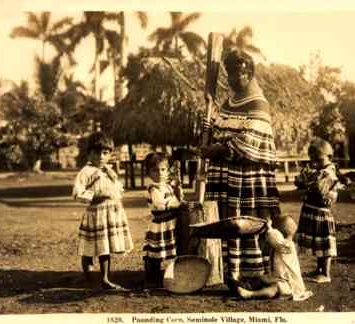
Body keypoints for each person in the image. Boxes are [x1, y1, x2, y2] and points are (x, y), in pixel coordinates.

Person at [200, 49, 281, 293]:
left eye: (236, 75)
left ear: (248, 73)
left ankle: (252, 273)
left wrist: (214, 150)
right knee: (226, 221)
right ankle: (229, 272)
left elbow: (248, 142)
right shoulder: (229, 102)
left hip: (247, 179)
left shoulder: (258, 104)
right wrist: (209, 125)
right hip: (225, 176)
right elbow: (221, 130)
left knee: (245, 221)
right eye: (229, 75)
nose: (232, 80)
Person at [73, 132, 133, 290]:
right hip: (95, 214)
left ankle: (105, 278)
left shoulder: (109, 170)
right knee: (89, 247)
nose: (101, 156)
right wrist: (94, 196)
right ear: (89, 153)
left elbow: (118, 189)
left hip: (109, 214)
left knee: (105, 247)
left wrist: (114, 195)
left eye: (105, 153)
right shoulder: (86, 172)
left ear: (109, 154)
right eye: (96, 152)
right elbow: (77, 193)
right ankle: (87, 276)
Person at [295, 138, 340, 284]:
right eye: (313, 160)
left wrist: (307, 182)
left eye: (318, 160)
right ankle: (319, 269)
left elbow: (320, 191)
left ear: (329, 157)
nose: (314, 163)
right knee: (317, 242)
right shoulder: (318, 171)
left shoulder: (328, 173)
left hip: (321, 211)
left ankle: (326, 273)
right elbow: (304, 184)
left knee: (323, 241)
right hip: (313, 209)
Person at [236, 216, 313, 301]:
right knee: (261, 279)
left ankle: (250, 294)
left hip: (290, 284)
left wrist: (269, 228)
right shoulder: (282, 245)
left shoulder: (287, 246)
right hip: (276, 277)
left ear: (280, 234)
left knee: (276, 287)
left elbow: (274, 238)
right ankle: (244, 286)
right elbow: (274, 240)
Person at [142, 152, 184, 288]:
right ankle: (151, 275)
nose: (160, 173)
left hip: (169, 222)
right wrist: (177, 205)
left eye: (163, 169)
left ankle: (164, 273)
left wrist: (177, 190)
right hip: (160, 223)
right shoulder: (153, 188)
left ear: (167, 171)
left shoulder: (166, 185)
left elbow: (175, 198)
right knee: (156, 251)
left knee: (168, 249)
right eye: (155, 170)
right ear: (149, 173)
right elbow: (160, 204)